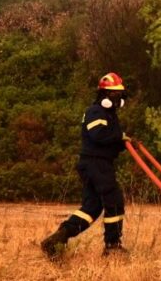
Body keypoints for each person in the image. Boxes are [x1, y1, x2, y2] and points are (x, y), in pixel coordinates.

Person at [41, 72, 131, 260]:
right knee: (114, 201)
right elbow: (98, 135)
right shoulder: (96, 111)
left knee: (92, 206)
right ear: (104, 95)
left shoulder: (110, 114)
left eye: (119, 94)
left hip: (97, 163)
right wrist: (120, 138)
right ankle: (112, 246)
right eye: (114, 93)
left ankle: (58, 239)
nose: (117, 98)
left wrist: (124, 143)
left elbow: (108, 140)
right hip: (95, 163)